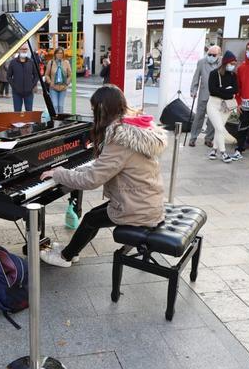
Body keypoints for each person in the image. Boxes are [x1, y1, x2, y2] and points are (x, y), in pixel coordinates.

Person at [39, 85, 167, 267]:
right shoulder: (131, 128)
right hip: (143, 199)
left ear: (102, 109)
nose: (92, 114)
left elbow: (91, 180)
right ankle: (71, 252)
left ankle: (65, 257)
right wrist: (75, 171)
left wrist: (59, 173)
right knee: (92, 217)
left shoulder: (119, 139)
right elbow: (104, 168)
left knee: (91, 220)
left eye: (93, 109)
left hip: (137, 207)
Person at [206, 51, 239, 163]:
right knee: (220, 128)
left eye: (234, 63)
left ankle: (214, 150)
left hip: (226, 106)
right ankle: (223, 152)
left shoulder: (234, 75)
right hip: (213, 104)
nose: (233, 66)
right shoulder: (214, 74)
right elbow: (212, 90)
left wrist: (223, 91)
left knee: (218, 129)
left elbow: (235, 90)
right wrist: (227, 91)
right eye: (231, 63)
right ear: (226, 62)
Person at [188, 45, 221, 147]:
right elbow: (196, 77)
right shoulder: (202, 62)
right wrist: (194, 90)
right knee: (199, 117)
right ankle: (193, 137)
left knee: (212, 118)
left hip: (216, 96)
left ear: (219, 55)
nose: (211, 56)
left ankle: (208, 139)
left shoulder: (222, 63)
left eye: (213, 55)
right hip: (203, 94)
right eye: (209, 54)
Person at [8, 44, 38, 112]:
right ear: (19, 50)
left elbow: (36, 75)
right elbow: (8, 76)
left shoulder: (31, 62)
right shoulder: (13, 62)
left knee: (29, 112)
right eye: (22, 49)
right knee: (17, 112)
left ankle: (29, 123)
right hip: (17, 93)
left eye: (25, 49)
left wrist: (32, 85)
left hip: (29, 92)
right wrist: (14, 86)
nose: (24, 50)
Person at [45, 47, 72, 114]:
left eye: (61, 53)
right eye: (58, 53)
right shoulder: (50, 63)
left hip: (63, 88)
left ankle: (60, 122)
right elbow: (46, 75)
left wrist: (66, 84)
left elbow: (70, 75)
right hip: (53, 88)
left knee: (60, 106)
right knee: (55, 106)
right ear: (55, 54)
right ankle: (55, 120)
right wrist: (50, 82)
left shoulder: (66, 63)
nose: (60, 55)